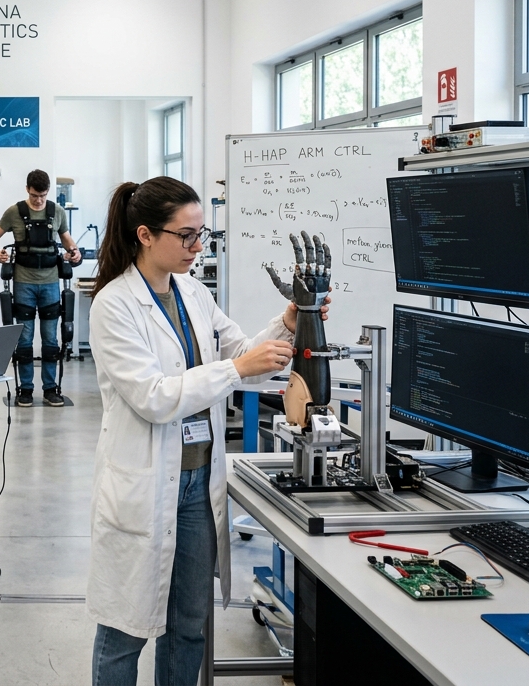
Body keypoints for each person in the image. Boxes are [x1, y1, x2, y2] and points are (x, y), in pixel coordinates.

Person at [85, 177, 325, 686]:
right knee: (125, 629)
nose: (197, 247)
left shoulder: (193, 292)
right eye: (187, 236)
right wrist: (237, 370)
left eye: (203, 236)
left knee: (190, 625)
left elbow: (244, 356)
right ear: (146, 235)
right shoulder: (114, 304)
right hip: (145, 485)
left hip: (198, 485)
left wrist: (286, 321)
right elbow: (154, 397)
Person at [0, 169, 82, 407]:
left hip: (50, 283)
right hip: (23, 284)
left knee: (51, 339)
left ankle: (51, 389)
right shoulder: (14, 212)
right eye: (34, 195)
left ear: (47, 191)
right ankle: (25, 390)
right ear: (27, 189)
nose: (38, 200)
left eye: (42, 195)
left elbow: (66, 239)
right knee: (25, 339)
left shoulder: (57, 212)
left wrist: (75, 251)